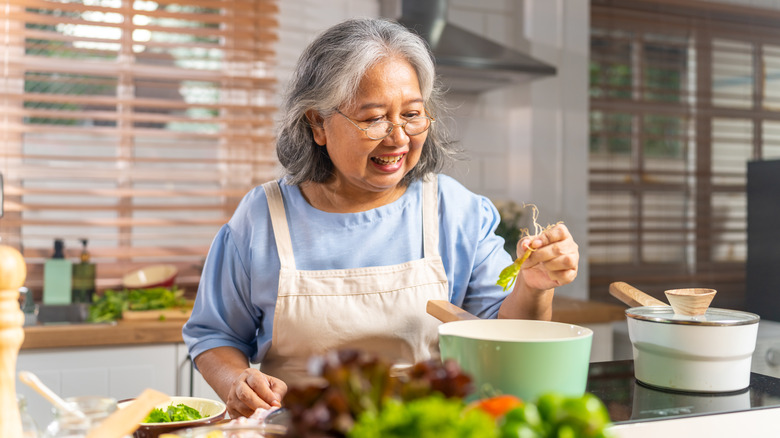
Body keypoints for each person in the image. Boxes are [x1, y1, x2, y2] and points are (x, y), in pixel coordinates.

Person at [182, 17, 579, 419]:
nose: (399, 137)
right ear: (317, 123)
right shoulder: (262, 217)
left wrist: (533, 287)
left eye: (411, 114)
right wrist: (237, 380)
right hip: (301, 428)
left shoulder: (455, 211)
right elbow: (214, 335)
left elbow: (504, 341)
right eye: (373, 118)